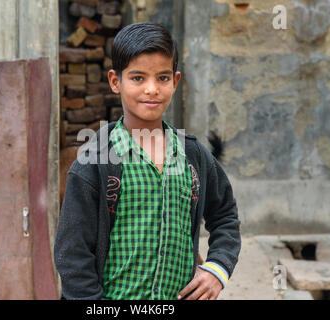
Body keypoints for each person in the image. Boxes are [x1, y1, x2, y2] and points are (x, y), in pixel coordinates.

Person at [54, 22, 241, 300]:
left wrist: (216, 269)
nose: (152, 89)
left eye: (162, 78)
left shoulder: (193, 156)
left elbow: (224, 215)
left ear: (175, 81)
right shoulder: (97, 161)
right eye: (138, 78)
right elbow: (72, 253)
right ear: (115, 82)